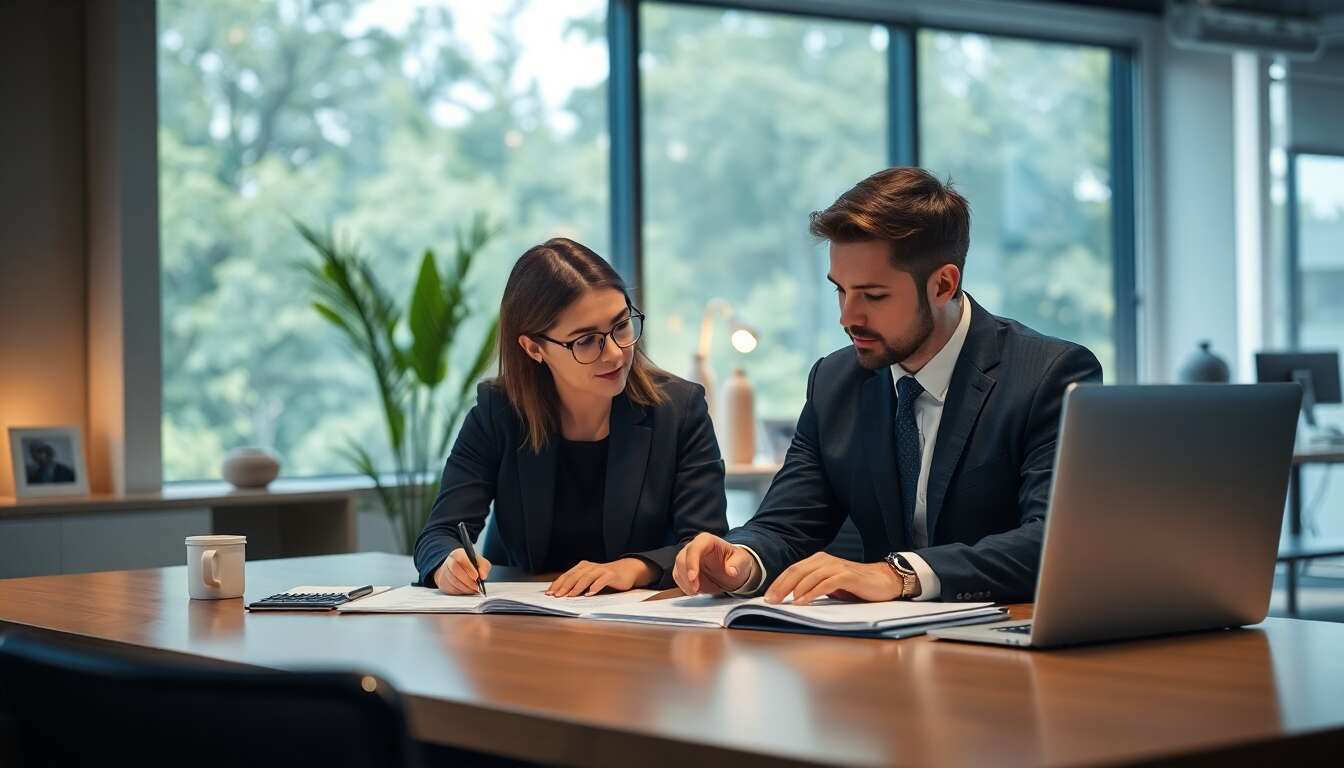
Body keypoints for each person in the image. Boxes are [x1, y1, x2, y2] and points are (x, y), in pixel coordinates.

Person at [673, 167, 1102, 606]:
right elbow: (787, 524)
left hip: (1009, 643)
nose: (848, 317)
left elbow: (1052, 540)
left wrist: (900, 575)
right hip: (883, 651)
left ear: (943, 284)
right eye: (840, 290)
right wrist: (739, 560)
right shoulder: (834, 382)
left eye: (873, 296)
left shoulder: (1048, 376)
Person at [414, 237, 728, 596]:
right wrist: (447, 563)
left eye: (621, 326)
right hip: (524, 624)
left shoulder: (680, 409)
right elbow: (438, 536)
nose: (614, 354)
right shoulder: (498, 411)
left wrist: (634, 568)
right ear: (534, 348)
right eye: (586, 341)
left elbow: (709, 543)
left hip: (645, 627)